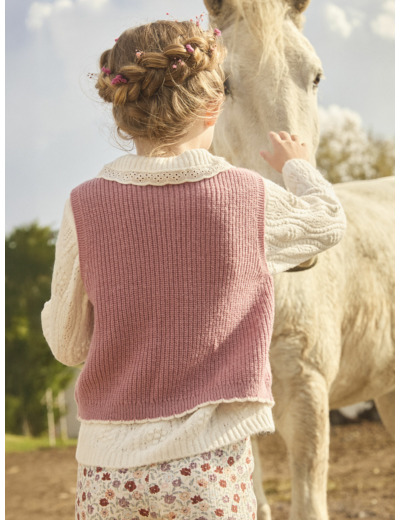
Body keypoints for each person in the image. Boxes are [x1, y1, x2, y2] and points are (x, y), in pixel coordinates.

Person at [41, 19, 346, 520]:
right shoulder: (244, 196)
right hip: (209, 472)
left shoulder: (84, 206)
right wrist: (297, 165)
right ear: (213, 107)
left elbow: (69, 345)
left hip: (107, 475)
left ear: (122, 118)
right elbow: (328, 224)